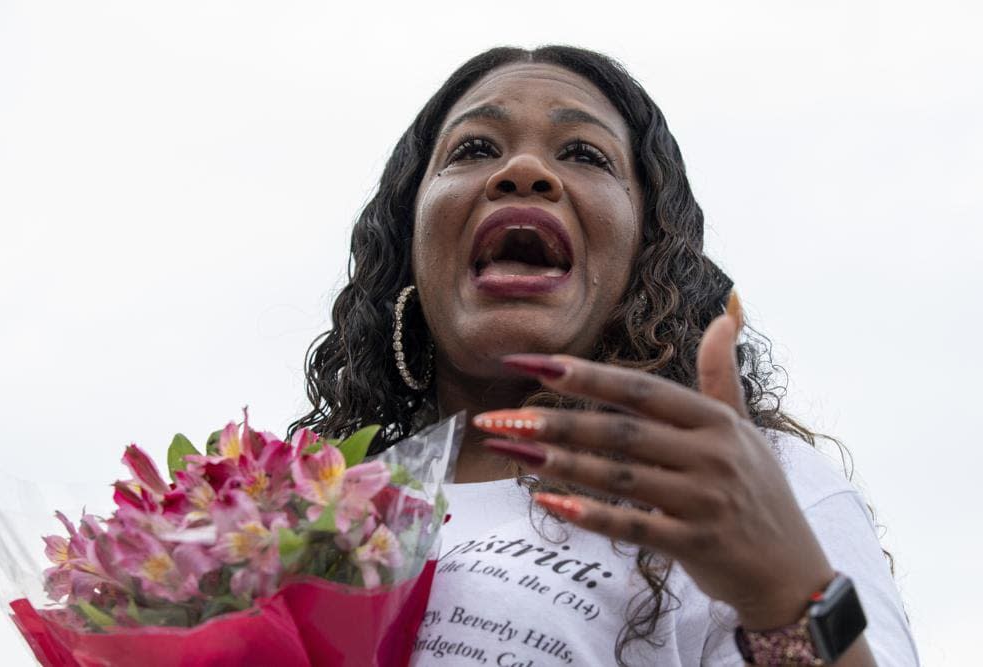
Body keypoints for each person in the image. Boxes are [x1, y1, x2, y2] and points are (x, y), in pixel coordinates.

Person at [291, 46, 918, 666]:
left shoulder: (738, 481)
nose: (526, 171)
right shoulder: (305, 507)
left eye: (585, 154)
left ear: (644, 255)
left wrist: (784, 603)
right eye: (475, 148)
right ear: (411, 244)